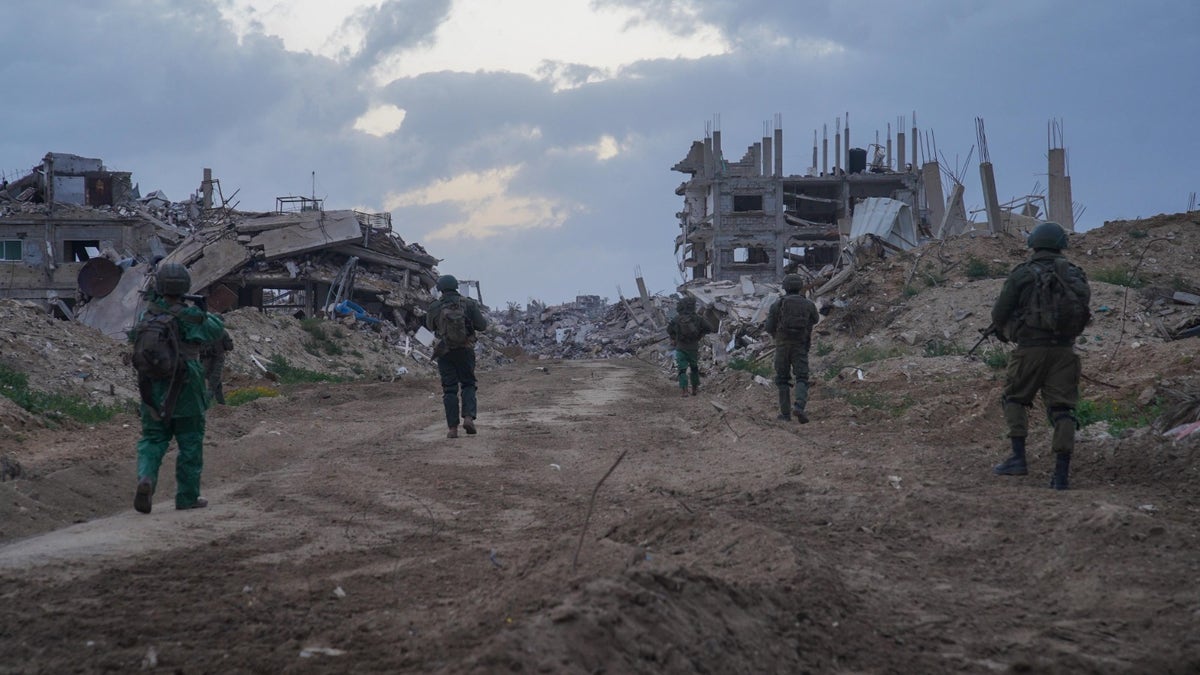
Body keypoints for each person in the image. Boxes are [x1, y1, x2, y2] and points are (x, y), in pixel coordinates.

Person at [991, 222, 1091, 490]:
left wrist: (1007, 329)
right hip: (1064, 351)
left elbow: (1000, 313)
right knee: (1062, 409)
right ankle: (1061, 475)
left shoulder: (1022, 274)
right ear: (1061, 245)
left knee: (1014, 398)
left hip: (1030, 350)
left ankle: (1018, 458)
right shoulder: (1074, 274)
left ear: (1033, 244)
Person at [132, 263, 226, 513]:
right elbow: (216, 329)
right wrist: (205, 312)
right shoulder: (191, 316)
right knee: (190, 441)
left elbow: (133, 338)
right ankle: (187, 497)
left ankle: (146, 478)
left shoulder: (149, 314)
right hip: (186, 382)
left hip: (152, 385)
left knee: (153, 438)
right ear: (185, 287)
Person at [426, 275, 488, 438]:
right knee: (468, 384)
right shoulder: (468, 304)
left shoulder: (435, 306)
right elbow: (482, 326)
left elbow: (429, 326)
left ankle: (452, 428)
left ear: (440, 289)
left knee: (449, 389)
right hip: (465, 349)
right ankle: (468, 418)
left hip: (444, 352)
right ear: (455, 287)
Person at [765, 274, 819, 423]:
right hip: (800, 345)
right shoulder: (808, 304)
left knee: (782, 380)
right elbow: (815, 319)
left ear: (785, 287)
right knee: (802, 377)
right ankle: (800, 406)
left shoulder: (778, 304)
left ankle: (785, 414)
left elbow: (768, 327)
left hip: (782, 346)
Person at [666, 296, 715, 397]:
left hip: (681, 347)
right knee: (694, 368)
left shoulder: (677, 318)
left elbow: (669, 330)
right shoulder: (698, 318)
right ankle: (694, 389)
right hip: (693, 347)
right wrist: (700, 335)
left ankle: (684, 391)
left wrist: (674, 338)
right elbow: (710, 328)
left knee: (682, 369)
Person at [200, 328, 234, 405]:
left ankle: (222, 404)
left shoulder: (204, 331)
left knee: (217, 385)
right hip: (216, 362)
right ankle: (203, 406)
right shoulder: (223, 332)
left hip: (203, 362)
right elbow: (230, 347)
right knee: (212, 386)